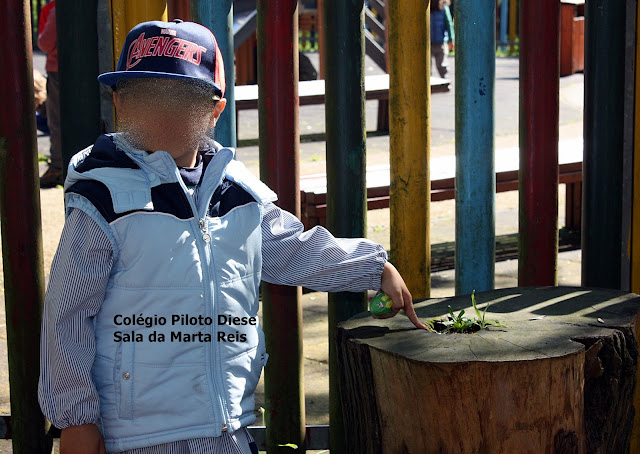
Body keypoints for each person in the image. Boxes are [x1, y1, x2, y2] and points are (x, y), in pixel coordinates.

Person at [38, 20, 426, 454]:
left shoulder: (236, 193)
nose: (162, 113)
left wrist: (372, 267)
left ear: (214, 110)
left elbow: (292, 249)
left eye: (181, 99)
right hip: (135, 435)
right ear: (119, 101)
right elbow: (66, 315)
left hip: (226, 427)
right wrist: (76, 418)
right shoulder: (103, 196)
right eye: (146, 97)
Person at [37, 0, 64, 188]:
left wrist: (40, 38)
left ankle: (57, 167)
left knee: (56, 119)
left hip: (56, 70)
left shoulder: (56, 10)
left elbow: (45, 43)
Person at [431, 0, 455, 79]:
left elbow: (449, 23)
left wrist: (451, 39)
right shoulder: (426, 9)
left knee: (442, 64)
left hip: (440, 41)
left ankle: (445, 80)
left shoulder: (443, 7)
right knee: (427, 65)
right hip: (428, 42)